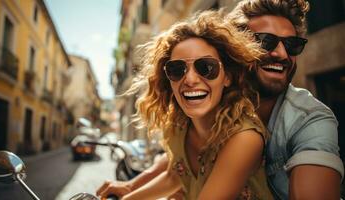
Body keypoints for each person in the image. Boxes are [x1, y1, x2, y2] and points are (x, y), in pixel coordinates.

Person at [97, 0, 344, 199]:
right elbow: (178, 164)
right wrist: (131, 189)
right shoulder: (209, 104)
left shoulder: (309, 119)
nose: (280, 53)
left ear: (225, 71)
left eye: (291, 45)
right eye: (265, 42)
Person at [107, 10, 274, 200]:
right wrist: (129, 195)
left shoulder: (244, 139)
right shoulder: (179, 127)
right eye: (177, 70)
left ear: (227, 77)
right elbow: (175, 176)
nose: (190, 79)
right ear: (168, 79)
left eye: (206, 67)